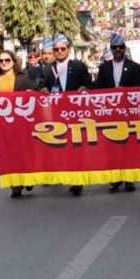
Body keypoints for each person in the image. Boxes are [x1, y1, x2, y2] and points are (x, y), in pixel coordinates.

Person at [41, 34, 91, 196]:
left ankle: (77, 181)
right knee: (60, 147)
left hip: (76, 114)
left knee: (76, 147)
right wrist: (42, 89)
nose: (60, 52)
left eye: (63, 49)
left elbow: (90, 85)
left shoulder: (79, 66)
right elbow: (41, 86)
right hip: (56, 115)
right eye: (56, 49)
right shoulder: (47, 69)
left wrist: (84, 88)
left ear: (68, 49)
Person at [0, 50, 36, 198]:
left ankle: (27, 178)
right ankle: (15, 185)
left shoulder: (23, 78)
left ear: (13, 61)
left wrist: (30, 92)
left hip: (21, 122)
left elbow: (34, 93)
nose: (4, 63)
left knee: (23, 152)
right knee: (7, 154)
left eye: (7, 60)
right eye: (1, 61)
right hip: (2, 124)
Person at [95, 34, 140, 193]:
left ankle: (129, 178)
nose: (118, 50)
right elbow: (98, 89)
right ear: (111, 49)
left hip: (129, 113)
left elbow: (139, 89)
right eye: (115, 48)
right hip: (110, 114)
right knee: (111, 147)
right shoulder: (104, 68)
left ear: (125, 47)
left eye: (121, 47)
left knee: (129, 147)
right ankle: (114, 179)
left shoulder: (134, 67)